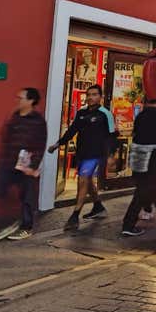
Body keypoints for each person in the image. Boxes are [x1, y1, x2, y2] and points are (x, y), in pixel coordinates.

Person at [48, 84, 110, 230]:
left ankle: (74, 216)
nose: (90, 97)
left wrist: (111, 156)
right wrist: (58, 144)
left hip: (96, 155)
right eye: (88, 95)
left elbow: (112, 136)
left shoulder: (105, 114)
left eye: (94, 94)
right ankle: (98, 207)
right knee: (87, 182)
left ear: (100, 97)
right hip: (82, 153)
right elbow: (72, 131)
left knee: (82, 181)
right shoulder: (81, 113)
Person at [0, 88, 47, 241]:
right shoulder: (14, 117)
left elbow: (40, 145)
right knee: (0, 187)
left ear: (30, 101)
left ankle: (26, 227)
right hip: (9, 162)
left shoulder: (38, 121)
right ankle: (12, 221)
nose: (18, 100)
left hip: (26, 164)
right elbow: (6, 137)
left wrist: (33, 166)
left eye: (21, 98)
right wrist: (2, 159)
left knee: (27, 195)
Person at [121, 89, 156, 236]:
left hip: (138, 156)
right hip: (153, 157)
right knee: (145, 189)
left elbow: (135, 134)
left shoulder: (141, 115)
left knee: (146, 187)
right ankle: (128, 224)